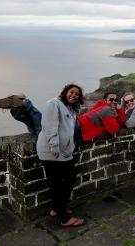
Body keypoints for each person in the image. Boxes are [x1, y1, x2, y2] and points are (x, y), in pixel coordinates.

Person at [36, 84, 85, 227]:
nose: (74, 95)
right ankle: (64, 218)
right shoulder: (53, 103)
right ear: (65, 92)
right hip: (52, 151)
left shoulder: (70, 109)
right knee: (63, 181)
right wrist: (54, 147)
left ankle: (55, 209)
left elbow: (68, 130)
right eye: (71, 92)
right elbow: (50, 126)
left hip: (63, 152)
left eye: (77, 94)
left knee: (58, 181)